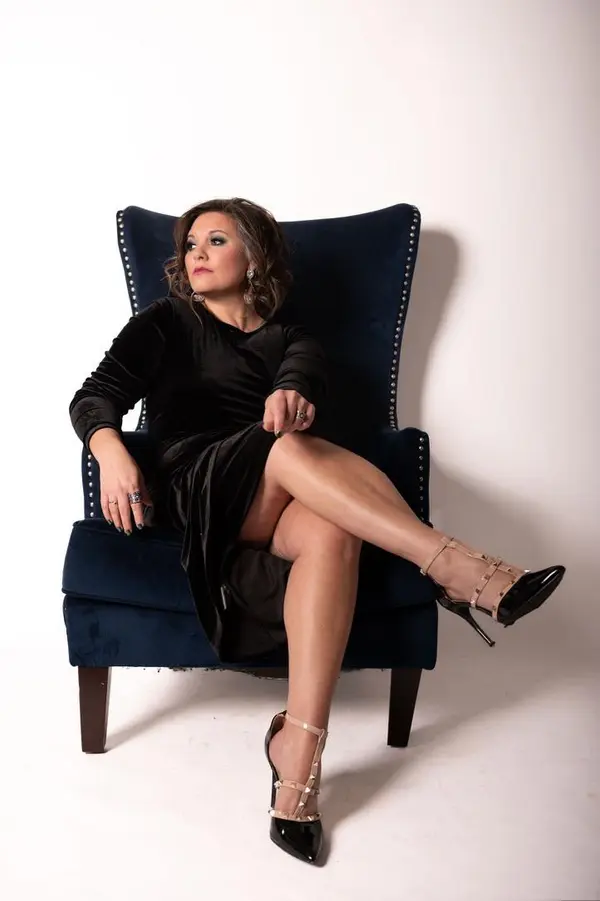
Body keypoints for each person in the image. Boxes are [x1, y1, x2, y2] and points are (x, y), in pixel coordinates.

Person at [69, 197, 566, 865]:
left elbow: (301, 378)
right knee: (286, 448)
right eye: (190, 244)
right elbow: (94, 395)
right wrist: (111, 450)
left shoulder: (292, 338)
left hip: (275, 489)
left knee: (332, 529)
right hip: (195, 488)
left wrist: (292, 395)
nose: (196, 254)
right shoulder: (165, 322)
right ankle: (454, 567)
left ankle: (298, 755)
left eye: (216, 240)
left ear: (255, 257)